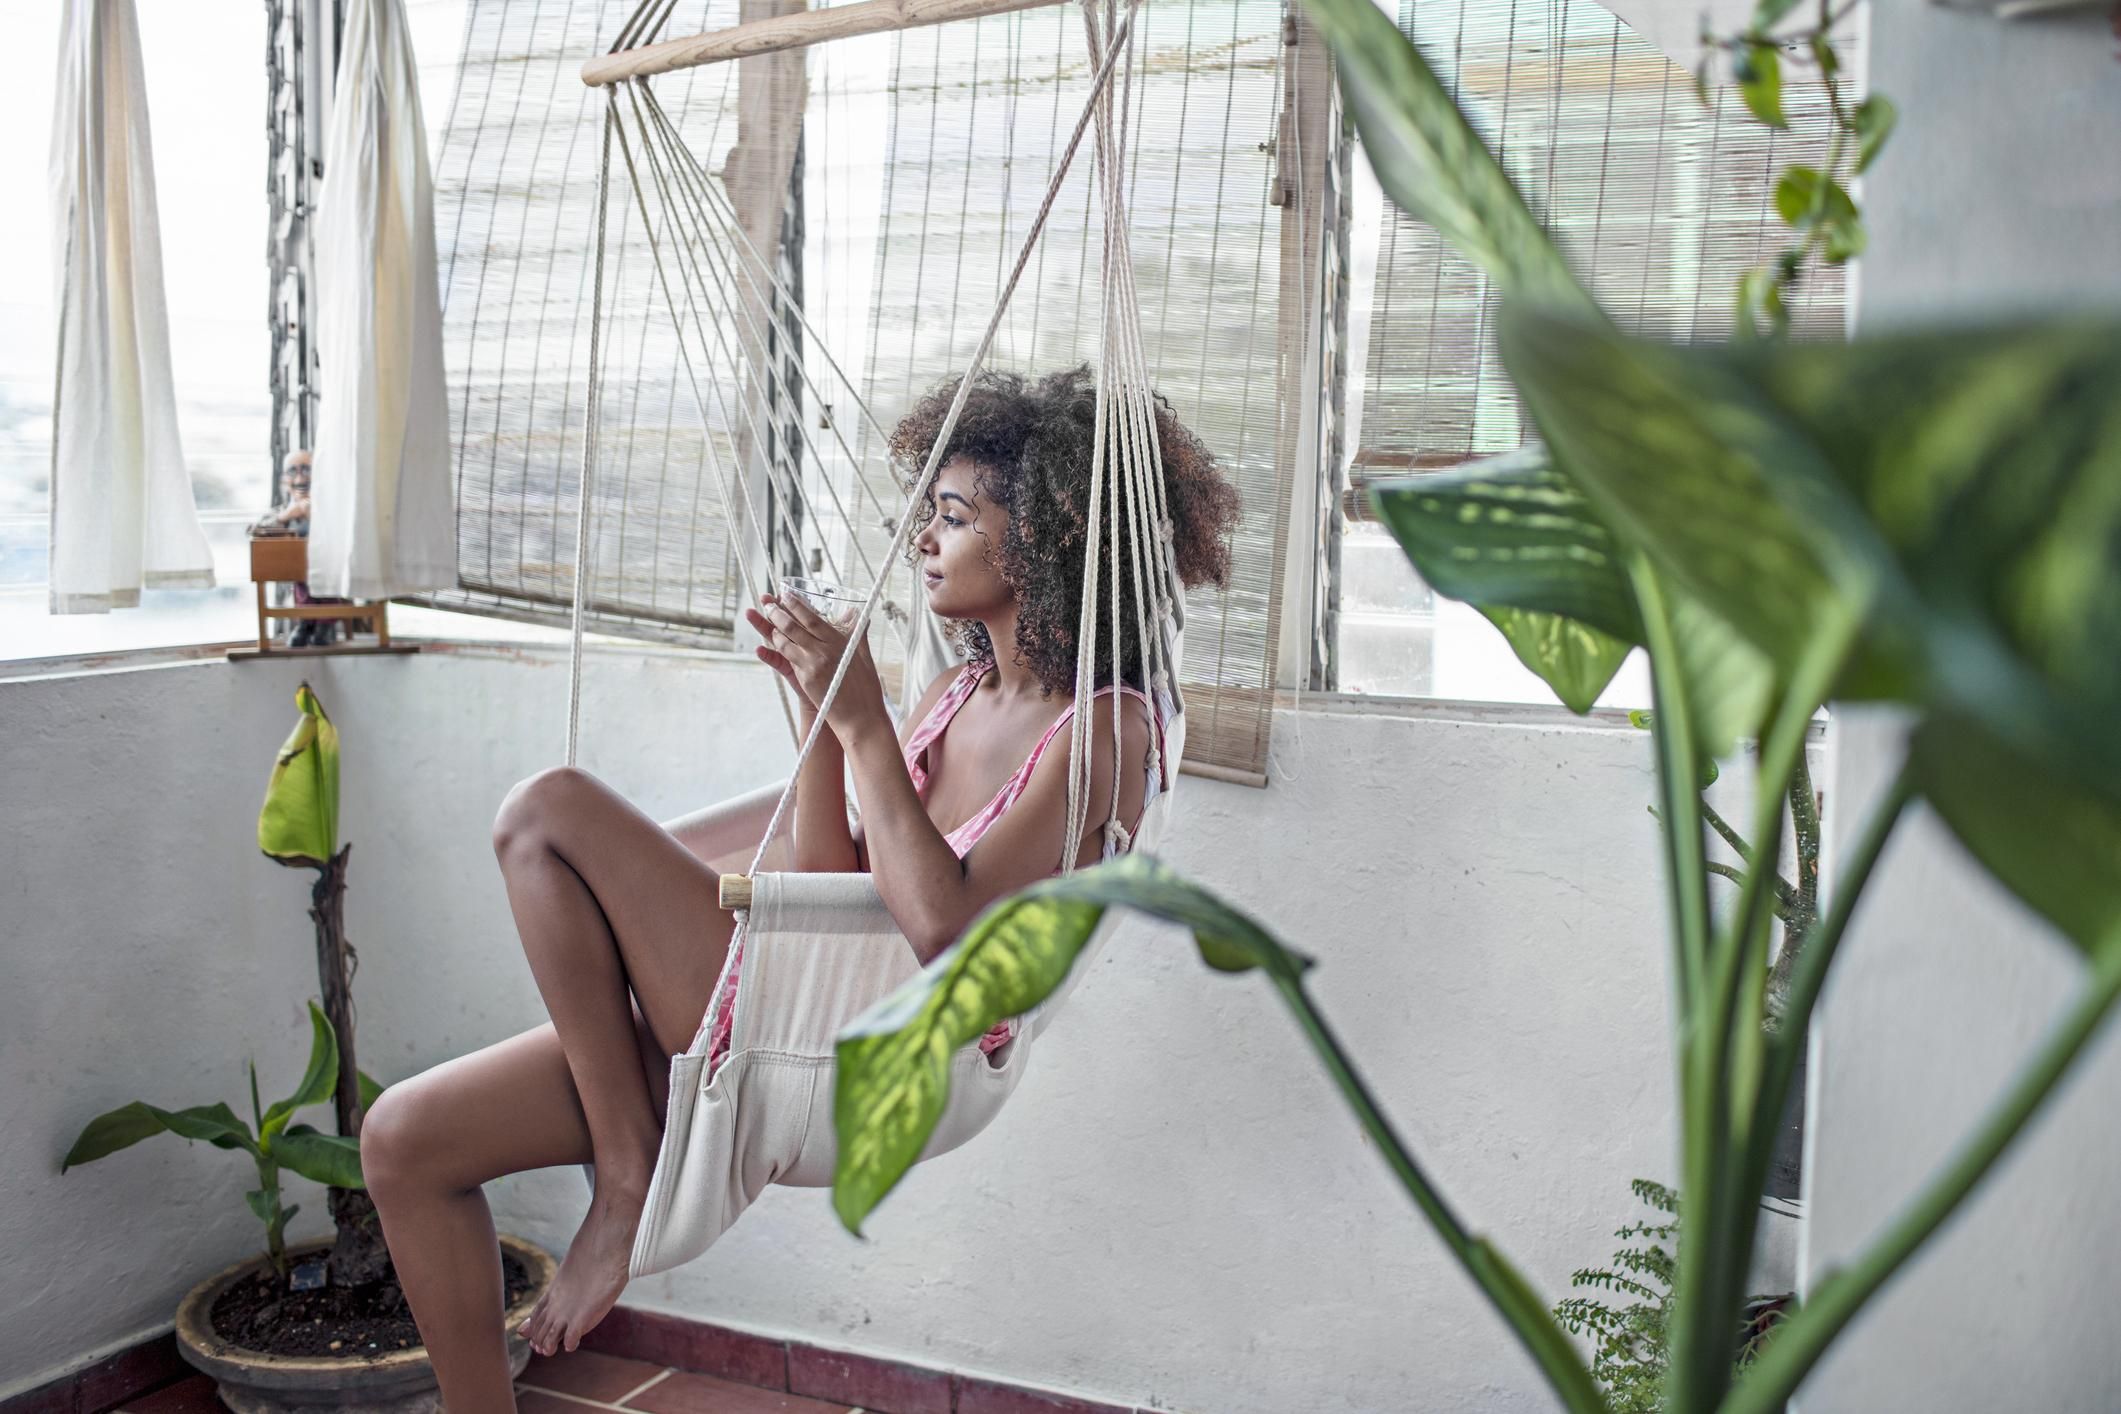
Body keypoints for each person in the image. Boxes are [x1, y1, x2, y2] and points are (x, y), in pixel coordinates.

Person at [357, 366, 1242, 1404]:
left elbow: (954, 943)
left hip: (880, 1047)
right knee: (404, 1138)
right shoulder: (961, 692)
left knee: (545, 815)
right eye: (929, 511)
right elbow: (834, 886)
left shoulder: (1107, 729)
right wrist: (823, 723)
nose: (924, 537)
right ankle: (606, 1181)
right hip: (800, 1005)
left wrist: (864, 720)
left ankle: (628, 1170)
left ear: (1050, 538)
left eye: (954, 517)